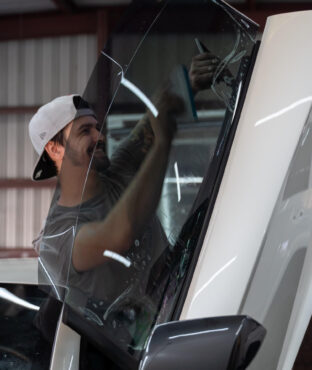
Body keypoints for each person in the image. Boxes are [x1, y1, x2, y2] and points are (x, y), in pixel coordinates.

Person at [29, 53, 219, 346]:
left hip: (181, 317)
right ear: (55, 150)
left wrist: (187, 84)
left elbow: (148, 124)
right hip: (130, 355)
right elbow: (118, 234)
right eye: (85, 131)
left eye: (96, 127)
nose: (100, 136)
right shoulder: (57, 238)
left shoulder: (115, 173)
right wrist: (163, 144)